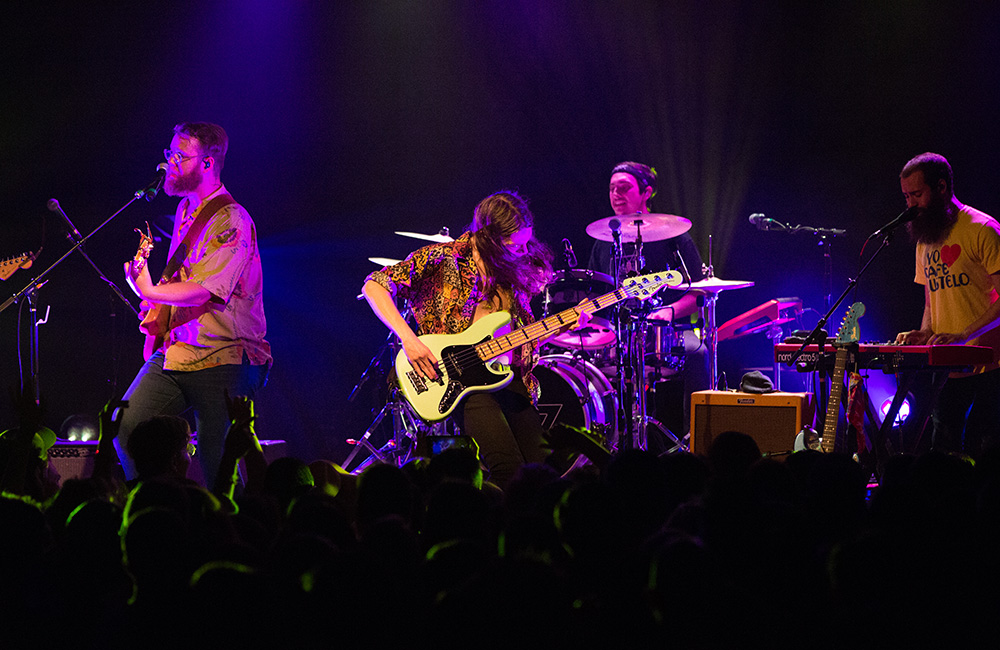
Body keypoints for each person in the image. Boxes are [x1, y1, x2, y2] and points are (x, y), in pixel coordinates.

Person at [362, 190, 582, 489]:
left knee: (544, 473)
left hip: (506, 375)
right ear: (488, 236)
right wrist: (409, 340)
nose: (522, 251)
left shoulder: (510, 272)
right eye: (513, 244)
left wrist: (563, 325)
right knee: (508, 471)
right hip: (458, 378)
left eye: (524, 242)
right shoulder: (442, 258)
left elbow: (520, 336)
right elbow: (375, 286)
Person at [116, 122, 271, 490]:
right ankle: (156, 506)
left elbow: (205, 289)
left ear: (207, 163)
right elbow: (181, 281)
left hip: (224, 356)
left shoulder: (232, 218)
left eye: (180, 157)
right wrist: (155, 301)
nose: (168, 163)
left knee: (219, 464)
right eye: (169, 154)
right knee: (126, 430)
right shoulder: (187, 209)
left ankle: (229, 534)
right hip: (179, 351)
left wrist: (150, 291)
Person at [587, 161, 709, 438]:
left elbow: (699, 292)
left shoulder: (673, 234)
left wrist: (669, 312)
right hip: (615, 334)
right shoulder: (602, 239)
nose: (616, 194)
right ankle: (602, 437)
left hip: (670, 330)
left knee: (698, 353)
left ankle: (695, 435)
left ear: (646, 192)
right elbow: (596, 296)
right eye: (612, 188)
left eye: (624, 188)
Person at [894, 152, 1000, 458]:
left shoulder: (982, 229)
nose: (910, 204)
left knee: (985, 454)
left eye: (916, 194)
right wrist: (925, 331)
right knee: (943, 455)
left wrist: (965, 334)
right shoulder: (925, 241)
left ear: (941, 188)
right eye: (906, 196)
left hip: (989, 366)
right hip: (947, 368)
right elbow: (932, 299)